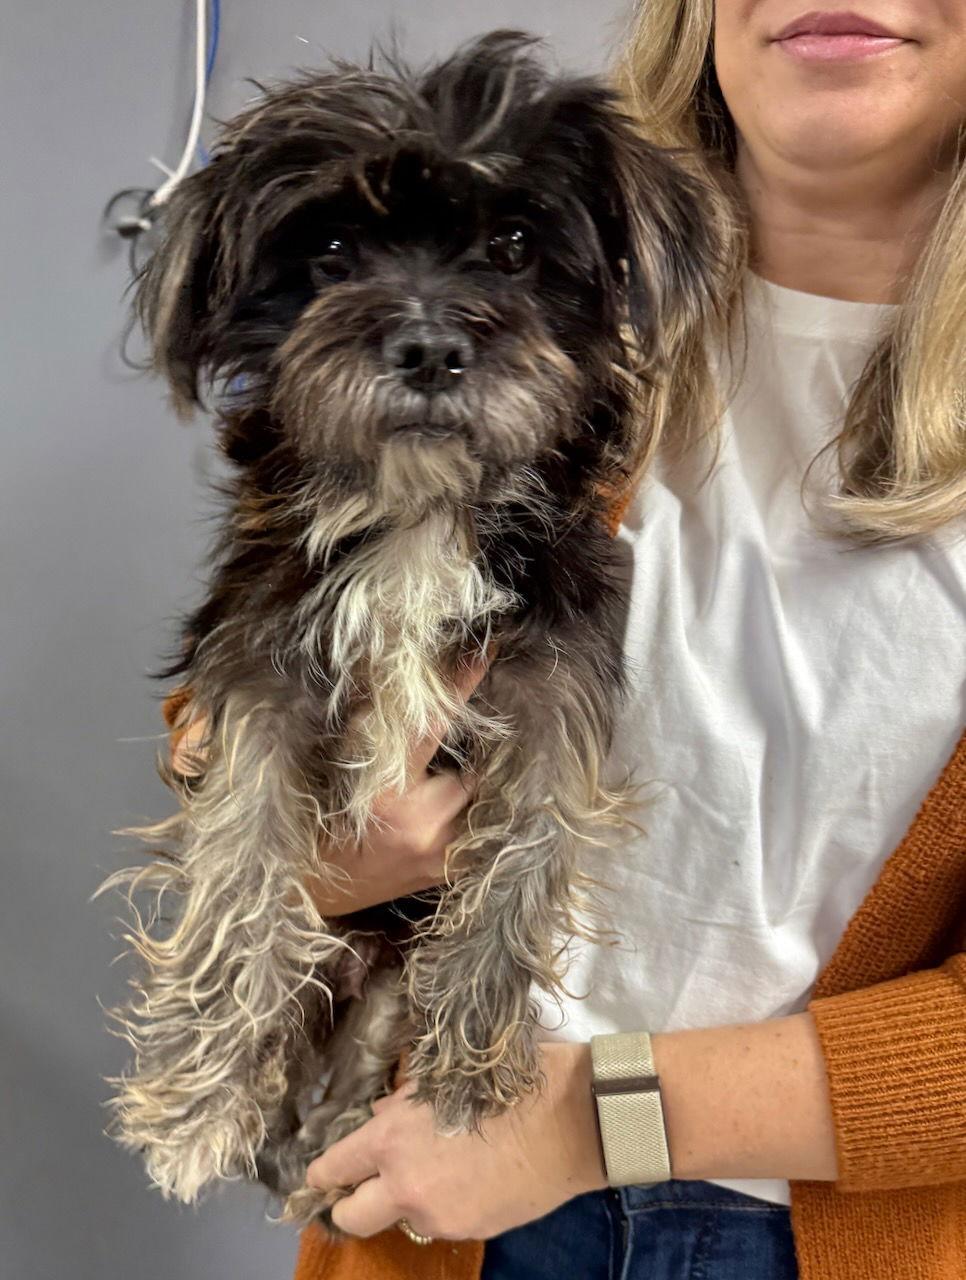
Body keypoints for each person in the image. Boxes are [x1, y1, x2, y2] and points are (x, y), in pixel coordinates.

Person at [166, 3, 966, 1277]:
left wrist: (596, 1120)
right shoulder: (556, 257)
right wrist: (301, 848)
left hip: (832, 1230)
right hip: (434, 1221)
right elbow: (258, 680)